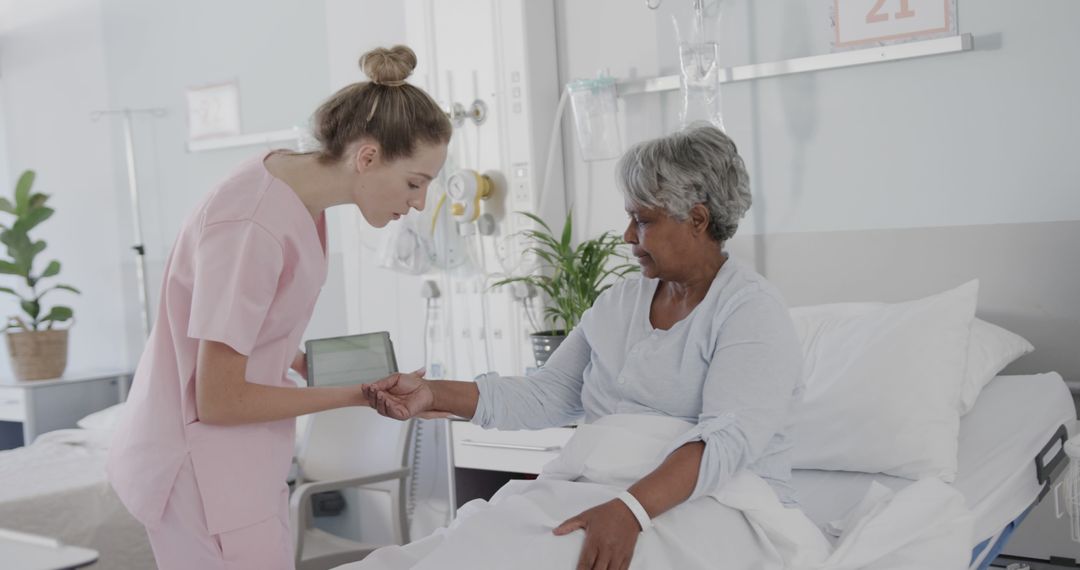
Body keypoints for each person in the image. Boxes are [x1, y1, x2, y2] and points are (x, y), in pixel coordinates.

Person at [356, 124, 805, 570]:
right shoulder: (620, 303)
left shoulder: (749, 311)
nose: (628, 235)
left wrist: (631, 510)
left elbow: (723, 442)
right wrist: (431, 393)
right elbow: (547, 394)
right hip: (600, 488)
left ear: (698, 220)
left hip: (712, 505)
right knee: (460, 546)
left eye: (643, 220)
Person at [106, 45, 452, 570]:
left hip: (238, 461)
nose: (419, 203)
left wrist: (299, 364)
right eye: (415, 183)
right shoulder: (253, 225)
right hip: (199, 467)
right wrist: (357, 395)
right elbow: (218, 398)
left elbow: (238, 328)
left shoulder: (290, 185)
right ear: (366, 157)